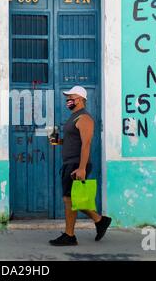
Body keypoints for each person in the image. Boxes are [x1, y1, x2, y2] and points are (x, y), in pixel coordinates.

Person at [49, 86, 111, 246]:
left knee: (69, 199)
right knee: (72, 199)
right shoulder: (73, 117)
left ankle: (70, 235)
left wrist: (82, 168)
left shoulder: (84, 118)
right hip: (70, 163)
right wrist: (58, 141)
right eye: (67, 97)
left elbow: (86, 144)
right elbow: (73, 141)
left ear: (81, 99)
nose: (68, 100)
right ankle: (99, 220)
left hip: (76, 164)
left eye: (71, 97)